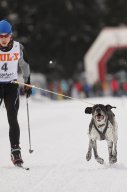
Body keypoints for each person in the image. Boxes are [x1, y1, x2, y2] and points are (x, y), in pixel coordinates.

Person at [0, 19, 32, 166]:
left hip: (12, 85)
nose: (3, 39)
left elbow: (24, 65)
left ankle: (15, 151)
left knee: (12, 118)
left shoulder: (18, 47)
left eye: (6, 35)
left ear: (11, 35)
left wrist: (27, 83)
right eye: (0, 36)